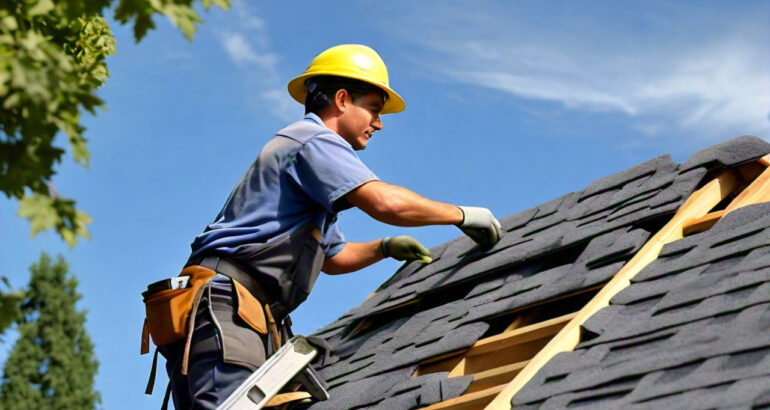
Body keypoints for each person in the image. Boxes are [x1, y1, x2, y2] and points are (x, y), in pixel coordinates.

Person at [148, 44, 503, 409]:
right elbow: (384, 202)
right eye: (374, 110)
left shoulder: (308, 163)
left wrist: (384, 247)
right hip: (228, 305)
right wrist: (461, 214)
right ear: (343, 99)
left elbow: (332, 257)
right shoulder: (313, 141)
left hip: (233, 310)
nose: (378, 124)